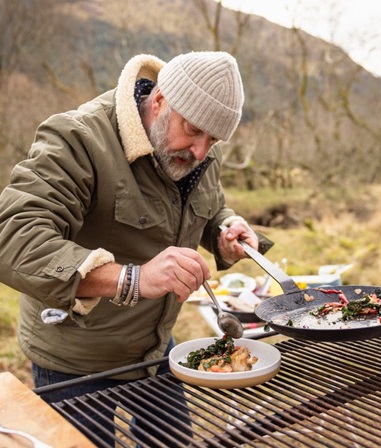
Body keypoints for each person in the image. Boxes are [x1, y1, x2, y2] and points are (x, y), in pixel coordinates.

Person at [0, 51, 272, 445]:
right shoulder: (79, 138)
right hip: (76, 363)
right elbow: (13, 237)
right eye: (194, 130)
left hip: (157, 350)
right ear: (159, 100)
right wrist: (135, 278)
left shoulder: (193, 149)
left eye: (213, 140)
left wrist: (223, 232)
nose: (200, 151)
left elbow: (207, 205)